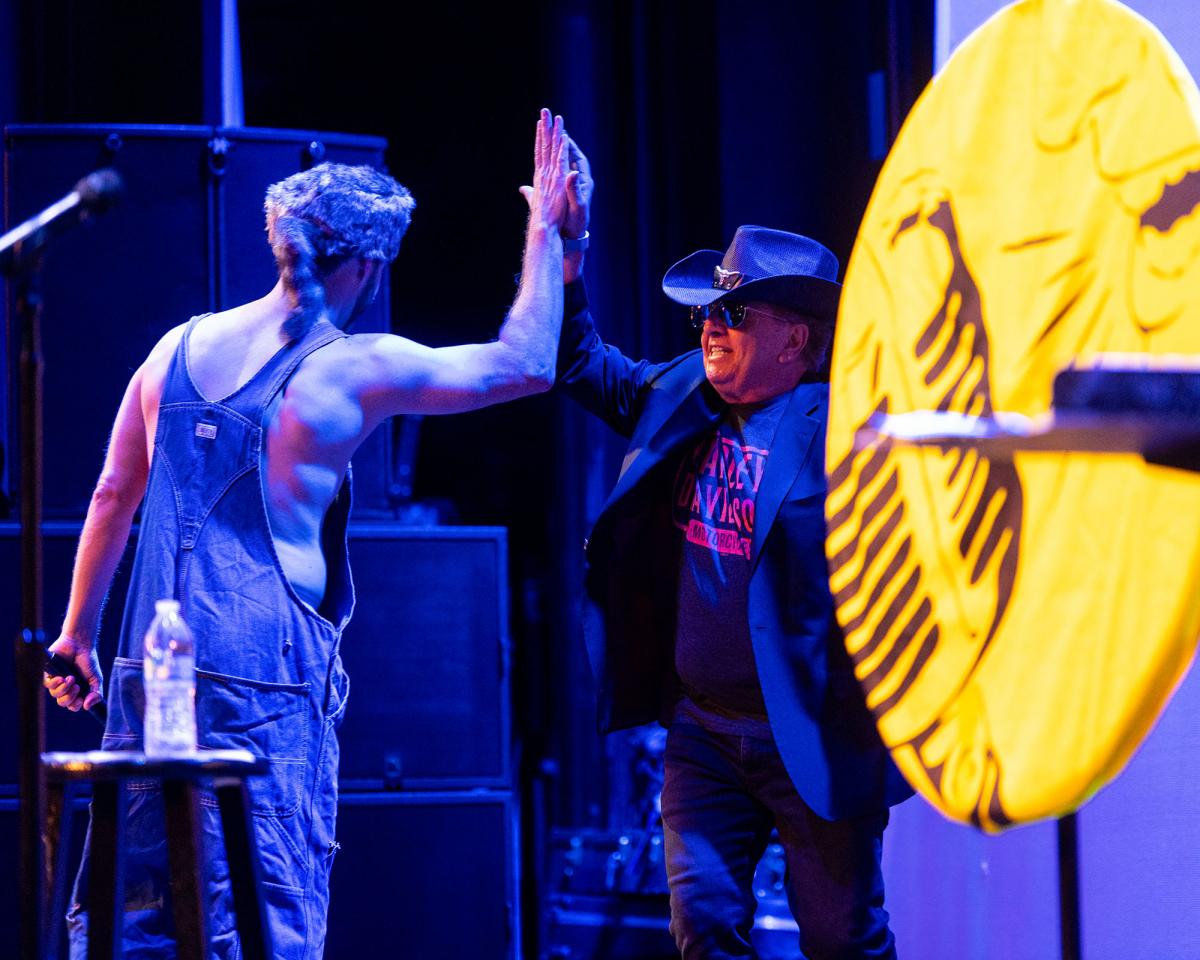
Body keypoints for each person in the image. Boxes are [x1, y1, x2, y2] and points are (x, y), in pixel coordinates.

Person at [43, 108, 573, 959]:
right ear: (368, 264)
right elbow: (527, 364)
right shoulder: (350, 367)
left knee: (136, 917)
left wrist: (76, 636)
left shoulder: (175, 349)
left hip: (151, 677)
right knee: (260, 917)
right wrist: (547, 231)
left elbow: (111, 495)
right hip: (263, 689)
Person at [554, 138, 913, 960]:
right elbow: (576, 362)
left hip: (814, 736)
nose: (712, 326)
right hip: (703, 734)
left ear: (795, 340)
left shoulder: (851, 428)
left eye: (736, 314)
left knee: (843, 941)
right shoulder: (680, 391)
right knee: (705, 929)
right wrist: (568, 247)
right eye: (709, 312)